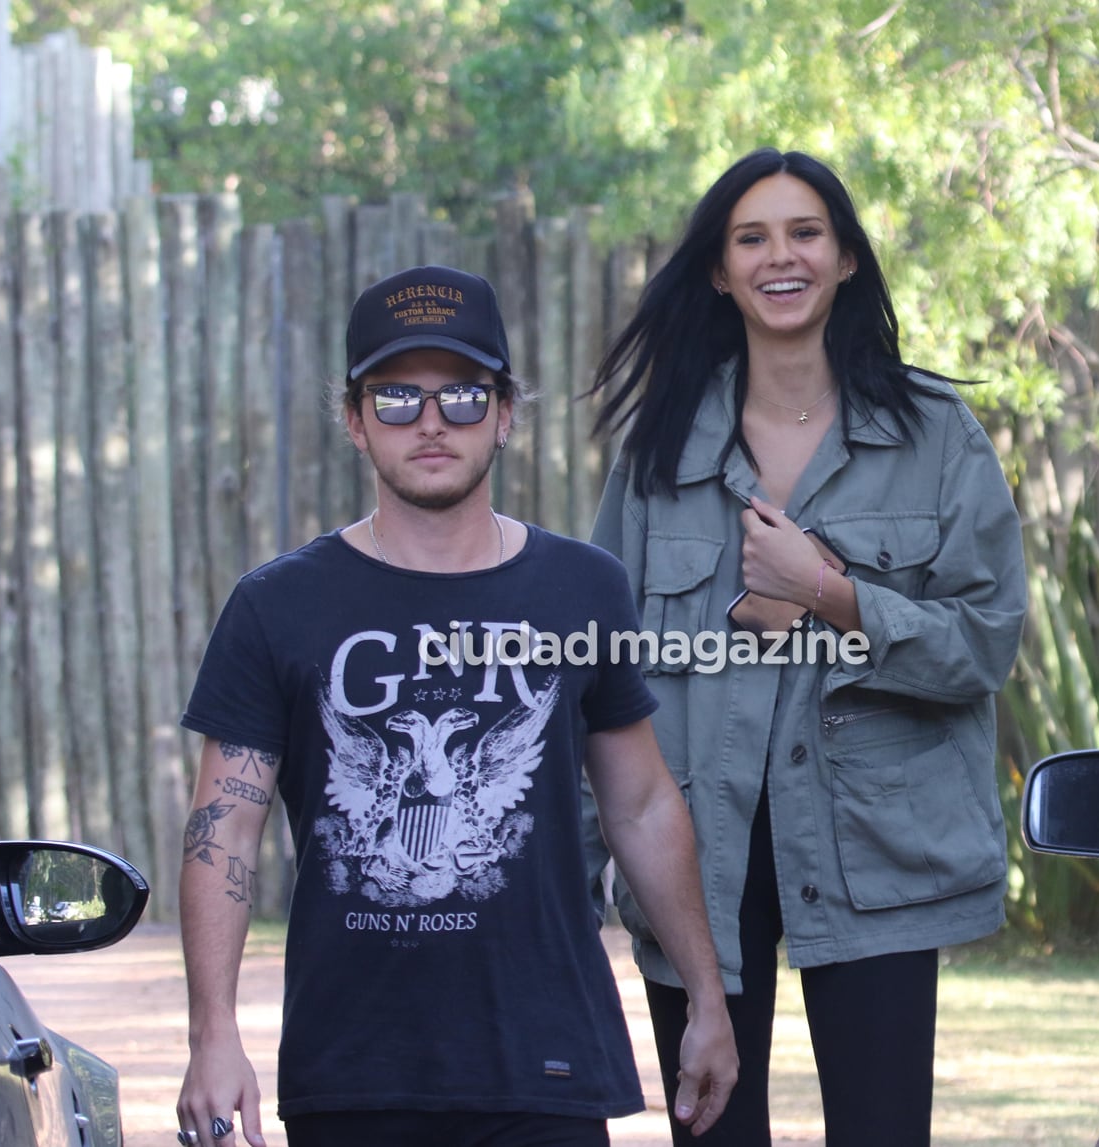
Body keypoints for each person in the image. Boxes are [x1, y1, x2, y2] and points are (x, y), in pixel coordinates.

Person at [175, 265, 736, 1147]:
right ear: (355, 420)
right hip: (352, 1073)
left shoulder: (581, 588)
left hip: (544, 1065)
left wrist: (707, 995)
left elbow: (640, 802)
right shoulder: (275, 605)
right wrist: (213, 1035)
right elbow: (224, 829)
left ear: (506, 413)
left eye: (464, 395)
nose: (431, 421)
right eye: (396, 397)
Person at [586, 148, 1028, 1145]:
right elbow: (600, 674)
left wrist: (830, 593)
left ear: (845, 261)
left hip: (877, 847)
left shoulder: (937, 435)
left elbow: (984, 643)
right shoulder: (658, 454)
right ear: (717, 269)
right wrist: (577, 864)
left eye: (803, 233)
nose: (778, 257)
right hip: (697, 853)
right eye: (751, 238)